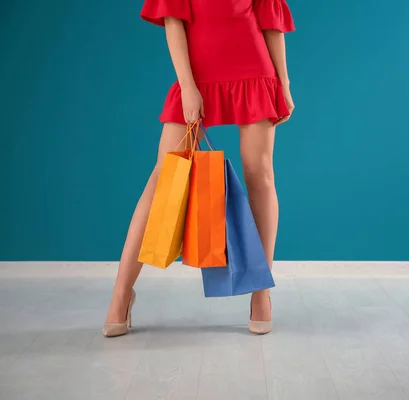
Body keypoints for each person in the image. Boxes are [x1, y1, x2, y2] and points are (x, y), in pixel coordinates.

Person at [103, 0, 295, 337]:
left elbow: (270, 20)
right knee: (164, 180)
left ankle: (261, 293)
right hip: (197, 74)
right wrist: (187, 86)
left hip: (254, 70)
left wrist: (284, 83)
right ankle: (121, 293)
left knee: (260, 176)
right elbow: (173, 20)